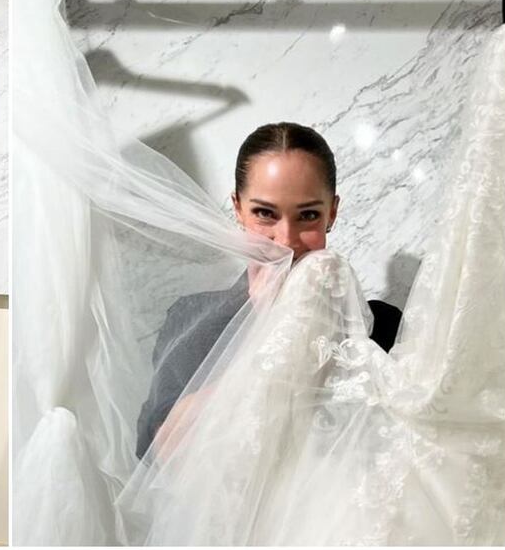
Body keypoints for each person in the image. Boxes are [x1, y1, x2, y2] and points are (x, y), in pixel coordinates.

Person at [135, 123, 403, 459]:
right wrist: (268, 331)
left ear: (331, 213)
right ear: (238, 209)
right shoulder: (194, 322)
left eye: (307, 215)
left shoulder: (381, 326)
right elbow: (159, 455)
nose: (286, 239)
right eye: (265, 213)